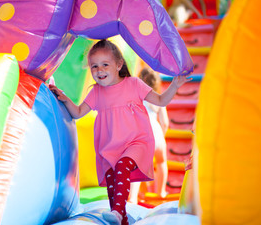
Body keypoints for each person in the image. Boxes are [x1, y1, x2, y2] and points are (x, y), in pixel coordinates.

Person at [49, 39, 190, 225]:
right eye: (94, 66)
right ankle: (120, 217)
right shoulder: (96, 92)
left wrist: (175, 85)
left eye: (105, 65)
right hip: (109, 148)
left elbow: (161, 100)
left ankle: (116, 212)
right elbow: (77, 113)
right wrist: (65, 98)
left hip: (136, 142)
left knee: (123, 167)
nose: (99, 70)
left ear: (119, 64)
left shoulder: (134, 84)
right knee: (113, 188)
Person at [128, 68, 170, 204]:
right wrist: (162, 136)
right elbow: (165, 123)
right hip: (157, 135)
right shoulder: (158, 98)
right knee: (161, 162)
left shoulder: (136, 98)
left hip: (144, 136)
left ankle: (133, 197)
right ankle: (161, 191)